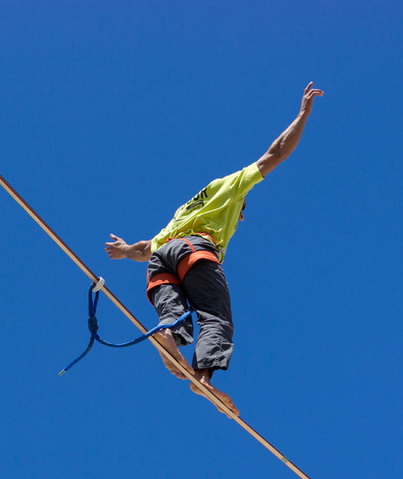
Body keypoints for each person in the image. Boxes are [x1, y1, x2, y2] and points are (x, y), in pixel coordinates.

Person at [105, 82, 323, 417]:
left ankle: (167, 334)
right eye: (242, 211)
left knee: (172, 313)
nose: (241, 217)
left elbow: (147, 248)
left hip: (161, 261)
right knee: (215, 316)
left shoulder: (183, 211)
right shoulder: (230, 188)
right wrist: (303, 114)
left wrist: (123, 251)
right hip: (195, 251)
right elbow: (276, 153)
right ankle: (203, 379)